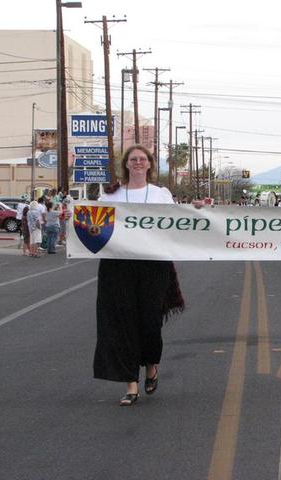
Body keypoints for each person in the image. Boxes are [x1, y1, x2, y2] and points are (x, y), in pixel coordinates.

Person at [94, 144, 185, 406]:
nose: (137, 162)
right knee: (123, 323)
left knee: (149, 322)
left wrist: (199, 208)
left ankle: (151, 366)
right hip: (118, 267)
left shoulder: (160, 194)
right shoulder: (111, 196)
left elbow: (178, 221)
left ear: (149, 164)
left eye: (142, 159)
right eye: (133, 159)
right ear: (126, 164)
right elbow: (94, 223)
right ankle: (131, 385)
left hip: (153, 265)